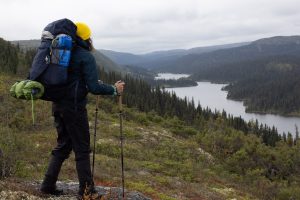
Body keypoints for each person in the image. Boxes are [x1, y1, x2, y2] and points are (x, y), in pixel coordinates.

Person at [40, 21, 125, 199]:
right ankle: (87, 191)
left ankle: (47, 186)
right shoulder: (85, 56)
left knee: (63, 146)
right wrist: (113, 90)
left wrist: (88, 85)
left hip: (58, 105)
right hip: (75, 109)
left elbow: (72, 80)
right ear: (86, 39)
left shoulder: (62, 52)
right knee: (82, 149)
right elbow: (93, 87)